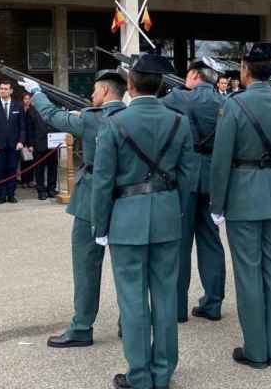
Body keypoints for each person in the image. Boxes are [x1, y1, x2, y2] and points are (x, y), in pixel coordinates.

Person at [90, 53, 199, 389]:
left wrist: (100, 225)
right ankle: (163, 371)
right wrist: (175, 210)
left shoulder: (114, 122)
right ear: (163, 84)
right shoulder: (179, 121)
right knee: (165, 297)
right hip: (166, 214)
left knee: (133, 299)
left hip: (126, 217)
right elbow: (188, 176)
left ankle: (139, 375)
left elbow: (103, 182)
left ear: (131, 85)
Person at [209, 42, 271, 366]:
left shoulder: (234, 105)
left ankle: (256, 349)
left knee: (248, 273)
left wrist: (217, 204)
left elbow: (221, 160)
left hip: (242, 196)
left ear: (246, 69)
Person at [21, 70, 126, 349]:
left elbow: (53, 116)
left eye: (94, 90)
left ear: (104, 91)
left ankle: (82, 326)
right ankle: (129, 323)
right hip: (128, 200)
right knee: (127, 268)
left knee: (86, 265)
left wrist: (37, 92)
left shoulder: (92, 118)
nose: (91, 95)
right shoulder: (129, 116)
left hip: (92, 197)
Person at [161, 58, 228, 322]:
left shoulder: (178, 97)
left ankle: (177, 307)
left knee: (181, 243)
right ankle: (213, 303)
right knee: (211, 241)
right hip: (214, 176)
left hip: (186, 175)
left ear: (192, 75)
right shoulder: (225, 102)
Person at [0, 81, 25, 204]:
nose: (3, 90)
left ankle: (11, 194)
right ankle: (1, 195)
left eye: (5, 89)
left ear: (11, 91)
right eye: (1, 88)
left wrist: (21, 141)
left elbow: (22, 126)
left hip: (14, 145)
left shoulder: (18, 105)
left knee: (12, 170)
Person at [23, 92, 58, 200]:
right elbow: (28, 129)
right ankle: (41, 190)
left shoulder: (53, 109)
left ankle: (51, 189)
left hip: (53, 144)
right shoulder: (31, 110)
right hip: (38, 144)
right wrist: (30, 144)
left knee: (53, 167)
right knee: (39, 168)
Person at [19, 93, 37, 189]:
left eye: (29, 99)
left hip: (31, 139)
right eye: (25, 99)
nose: (27, 100)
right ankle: (24, 181)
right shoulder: (20, 109)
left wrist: (31, 143)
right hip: (22, 139)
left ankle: (30, 180)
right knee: (23, 162)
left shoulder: (33, 110)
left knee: (30, 161)